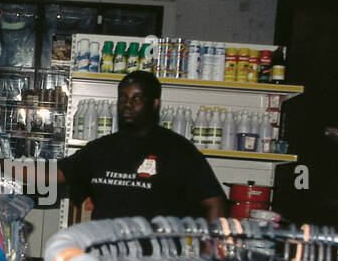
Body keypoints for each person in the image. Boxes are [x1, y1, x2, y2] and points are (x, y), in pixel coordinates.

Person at [57, 70, 228, 221]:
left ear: (155, 103)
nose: (128, 104)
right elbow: (57, 173)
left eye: (136, 98)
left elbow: (215, 203)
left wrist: (210, 254)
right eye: (123, 97)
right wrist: (29, 167)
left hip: (155, 255)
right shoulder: (102, 148)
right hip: (104, 253)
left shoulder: (177, 149)